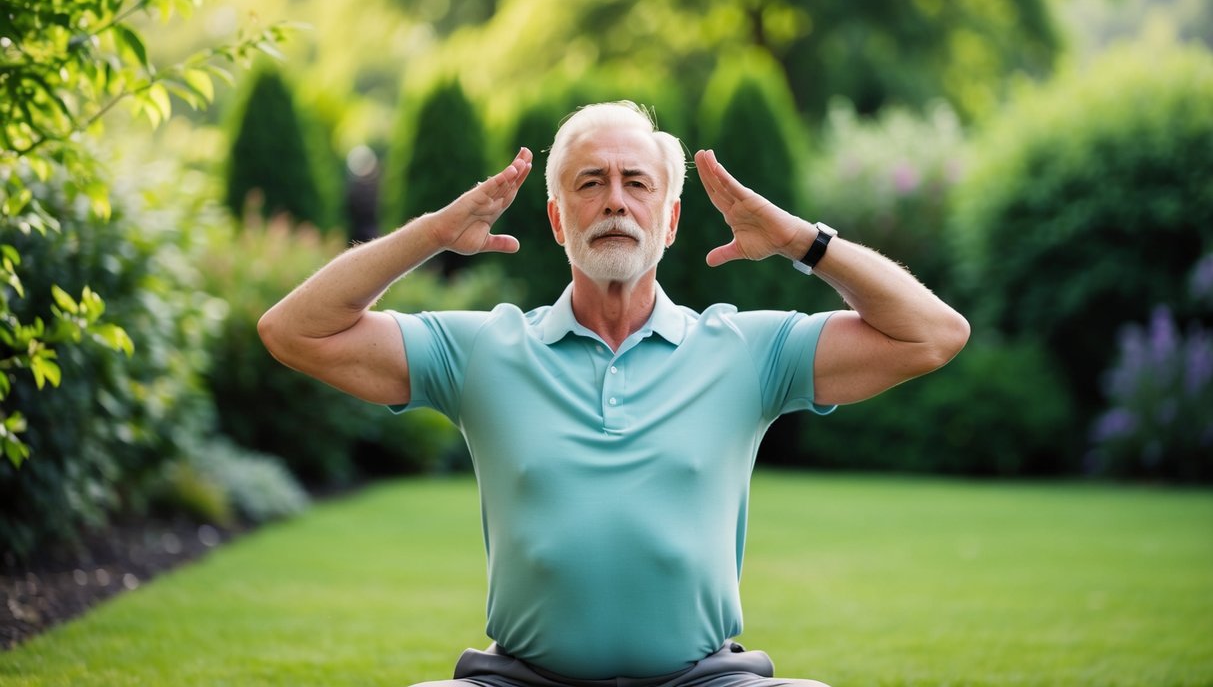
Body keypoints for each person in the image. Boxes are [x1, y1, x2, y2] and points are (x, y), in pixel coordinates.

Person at [258, 101, 970, 687]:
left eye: (636, 182)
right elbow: (294, 331)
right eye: (589, 183)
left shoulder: (749, 351)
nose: (614, 202)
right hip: (519, 681)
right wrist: (431, 235)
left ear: (668, 221)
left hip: (706, 681)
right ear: (557, 219)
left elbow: (932, 334)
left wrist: (798, 241)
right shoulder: (478, 350)